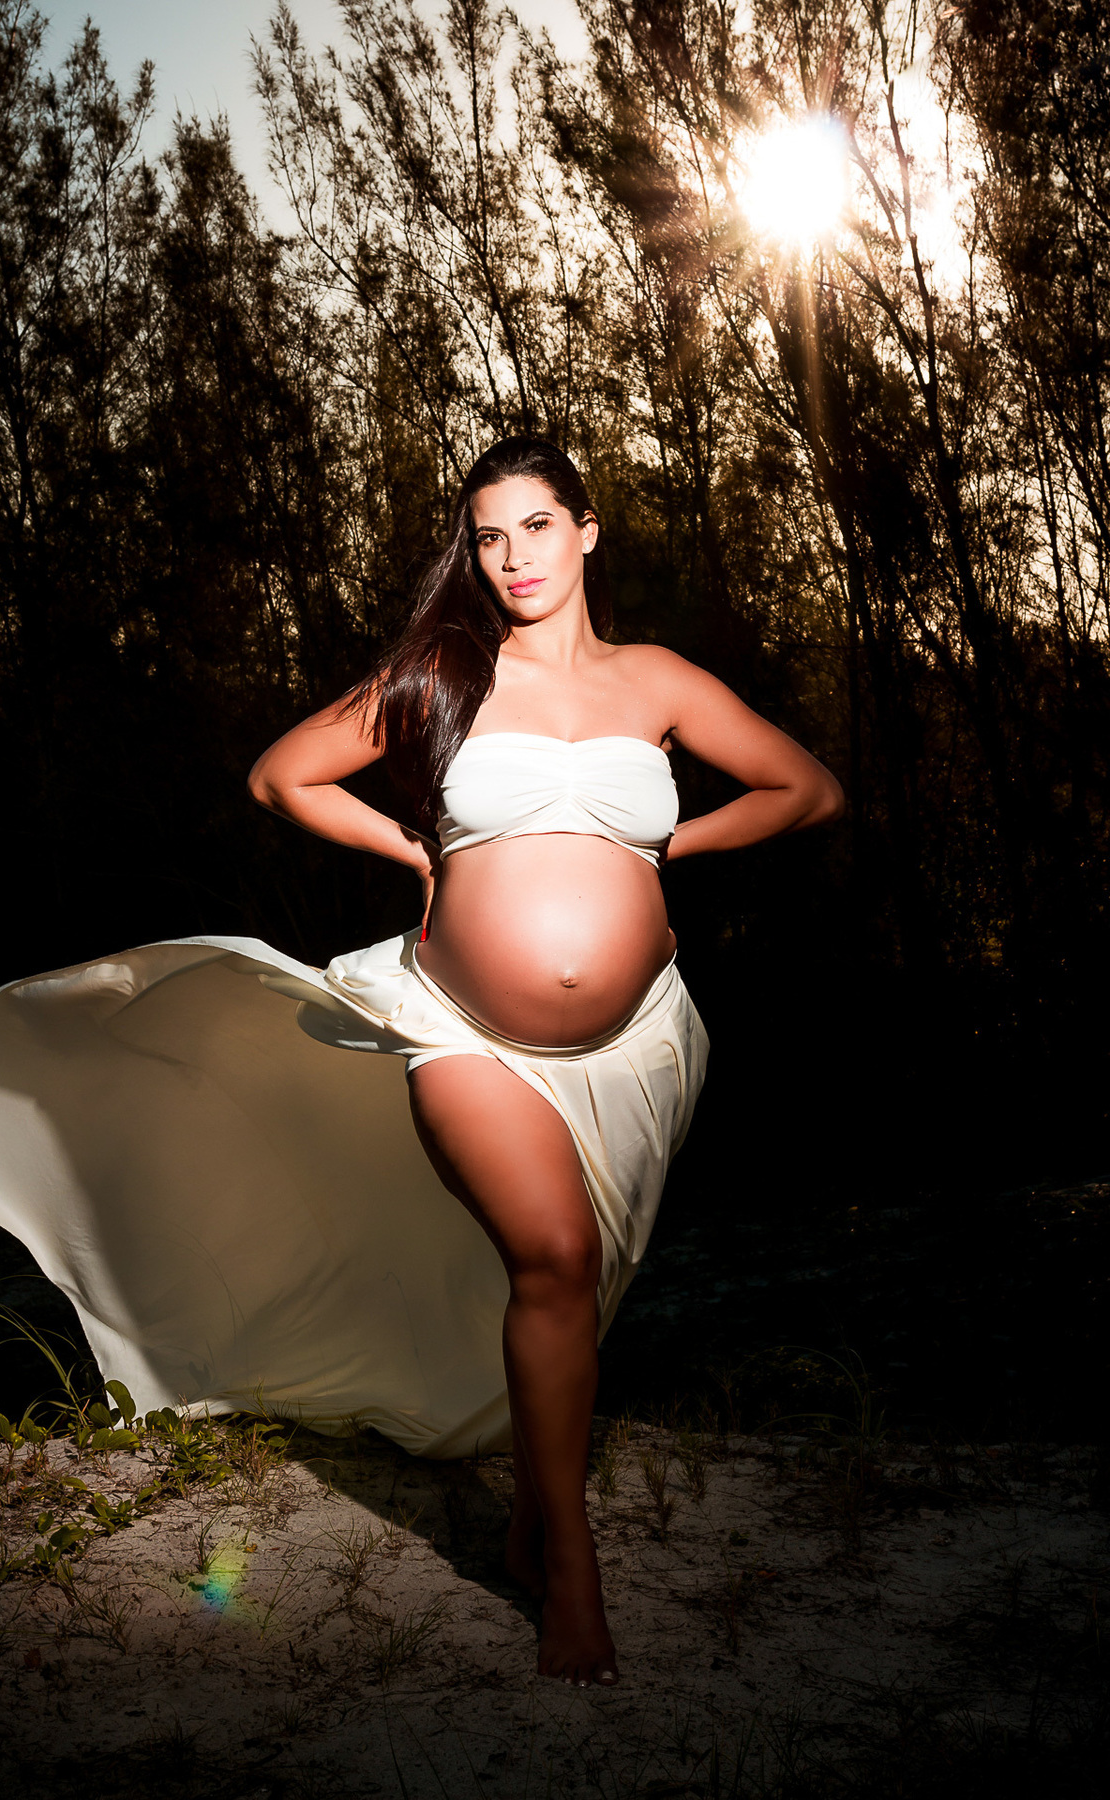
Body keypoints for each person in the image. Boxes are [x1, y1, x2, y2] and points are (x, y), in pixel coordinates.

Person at [245, 436, 844, 1688]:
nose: (512, 556)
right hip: (460, 1026)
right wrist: (414, 851)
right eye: (488, 536)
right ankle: (570, 1568)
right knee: (556, 1256)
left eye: (535, 526)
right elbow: (282, 774)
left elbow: (805, 789)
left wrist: (668, 849)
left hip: (635, 1043)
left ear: (586, 531)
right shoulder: (441, 675)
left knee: (583, 1282)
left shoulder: (656, 680)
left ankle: (528, 1515)